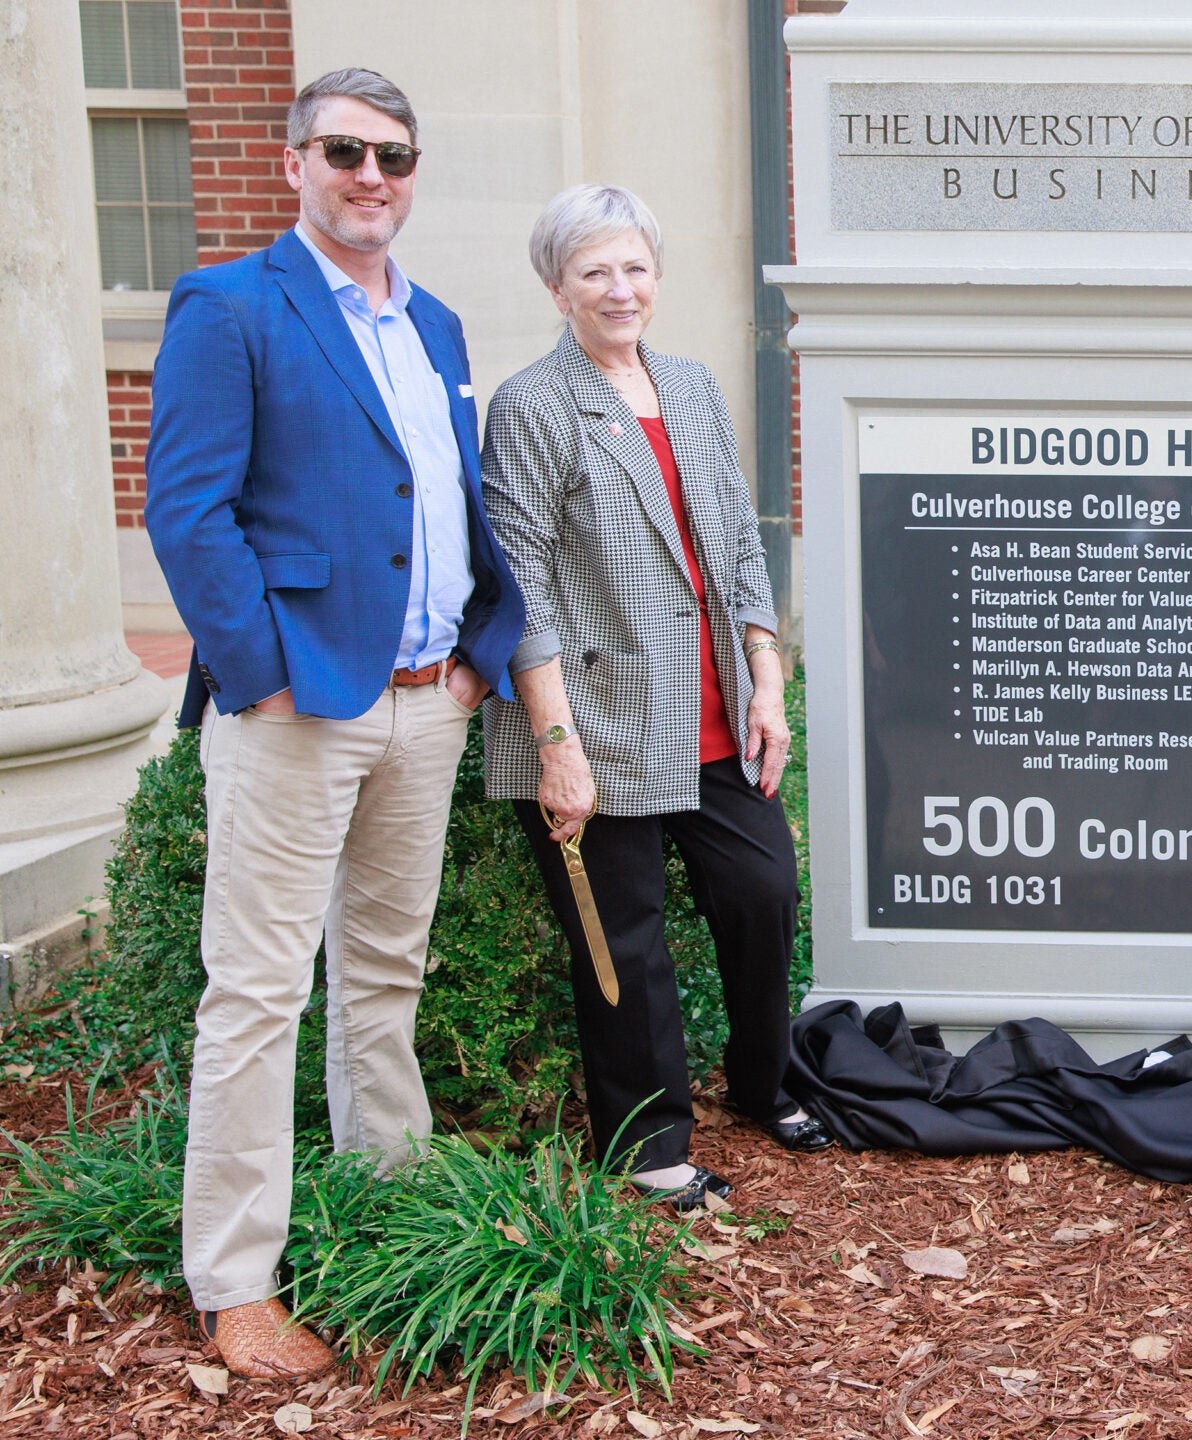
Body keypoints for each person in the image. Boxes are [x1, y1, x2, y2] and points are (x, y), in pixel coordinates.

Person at [143, 68, 527, 1378]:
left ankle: (388, 1198)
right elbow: (188, 512)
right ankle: (236, 1276)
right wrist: (263, 674)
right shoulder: (231, 306)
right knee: (255, 995)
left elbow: (459, 505)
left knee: (382, 980)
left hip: (428, 709)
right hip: (300, 709)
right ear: (295, 159)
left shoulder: (441, 328)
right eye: (348, 152)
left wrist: (482, 661)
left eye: (396, 157)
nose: (374, 177)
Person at [479, 184, 828, 1214]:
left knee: (764, 894)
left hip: (717, 708)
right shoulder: (534, 405)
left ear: (657, 279)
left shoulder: (690, 385)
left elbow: (738, 546)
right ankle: (649, 1146)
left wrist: (767, 683)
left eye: (634, 268)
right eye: (594, 271)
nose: (618, 288)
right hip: (600, 716)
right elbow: (522, 580)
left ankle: (765, 1083)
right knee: (622, 940)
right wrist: (555, 741)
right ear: (557, 288)